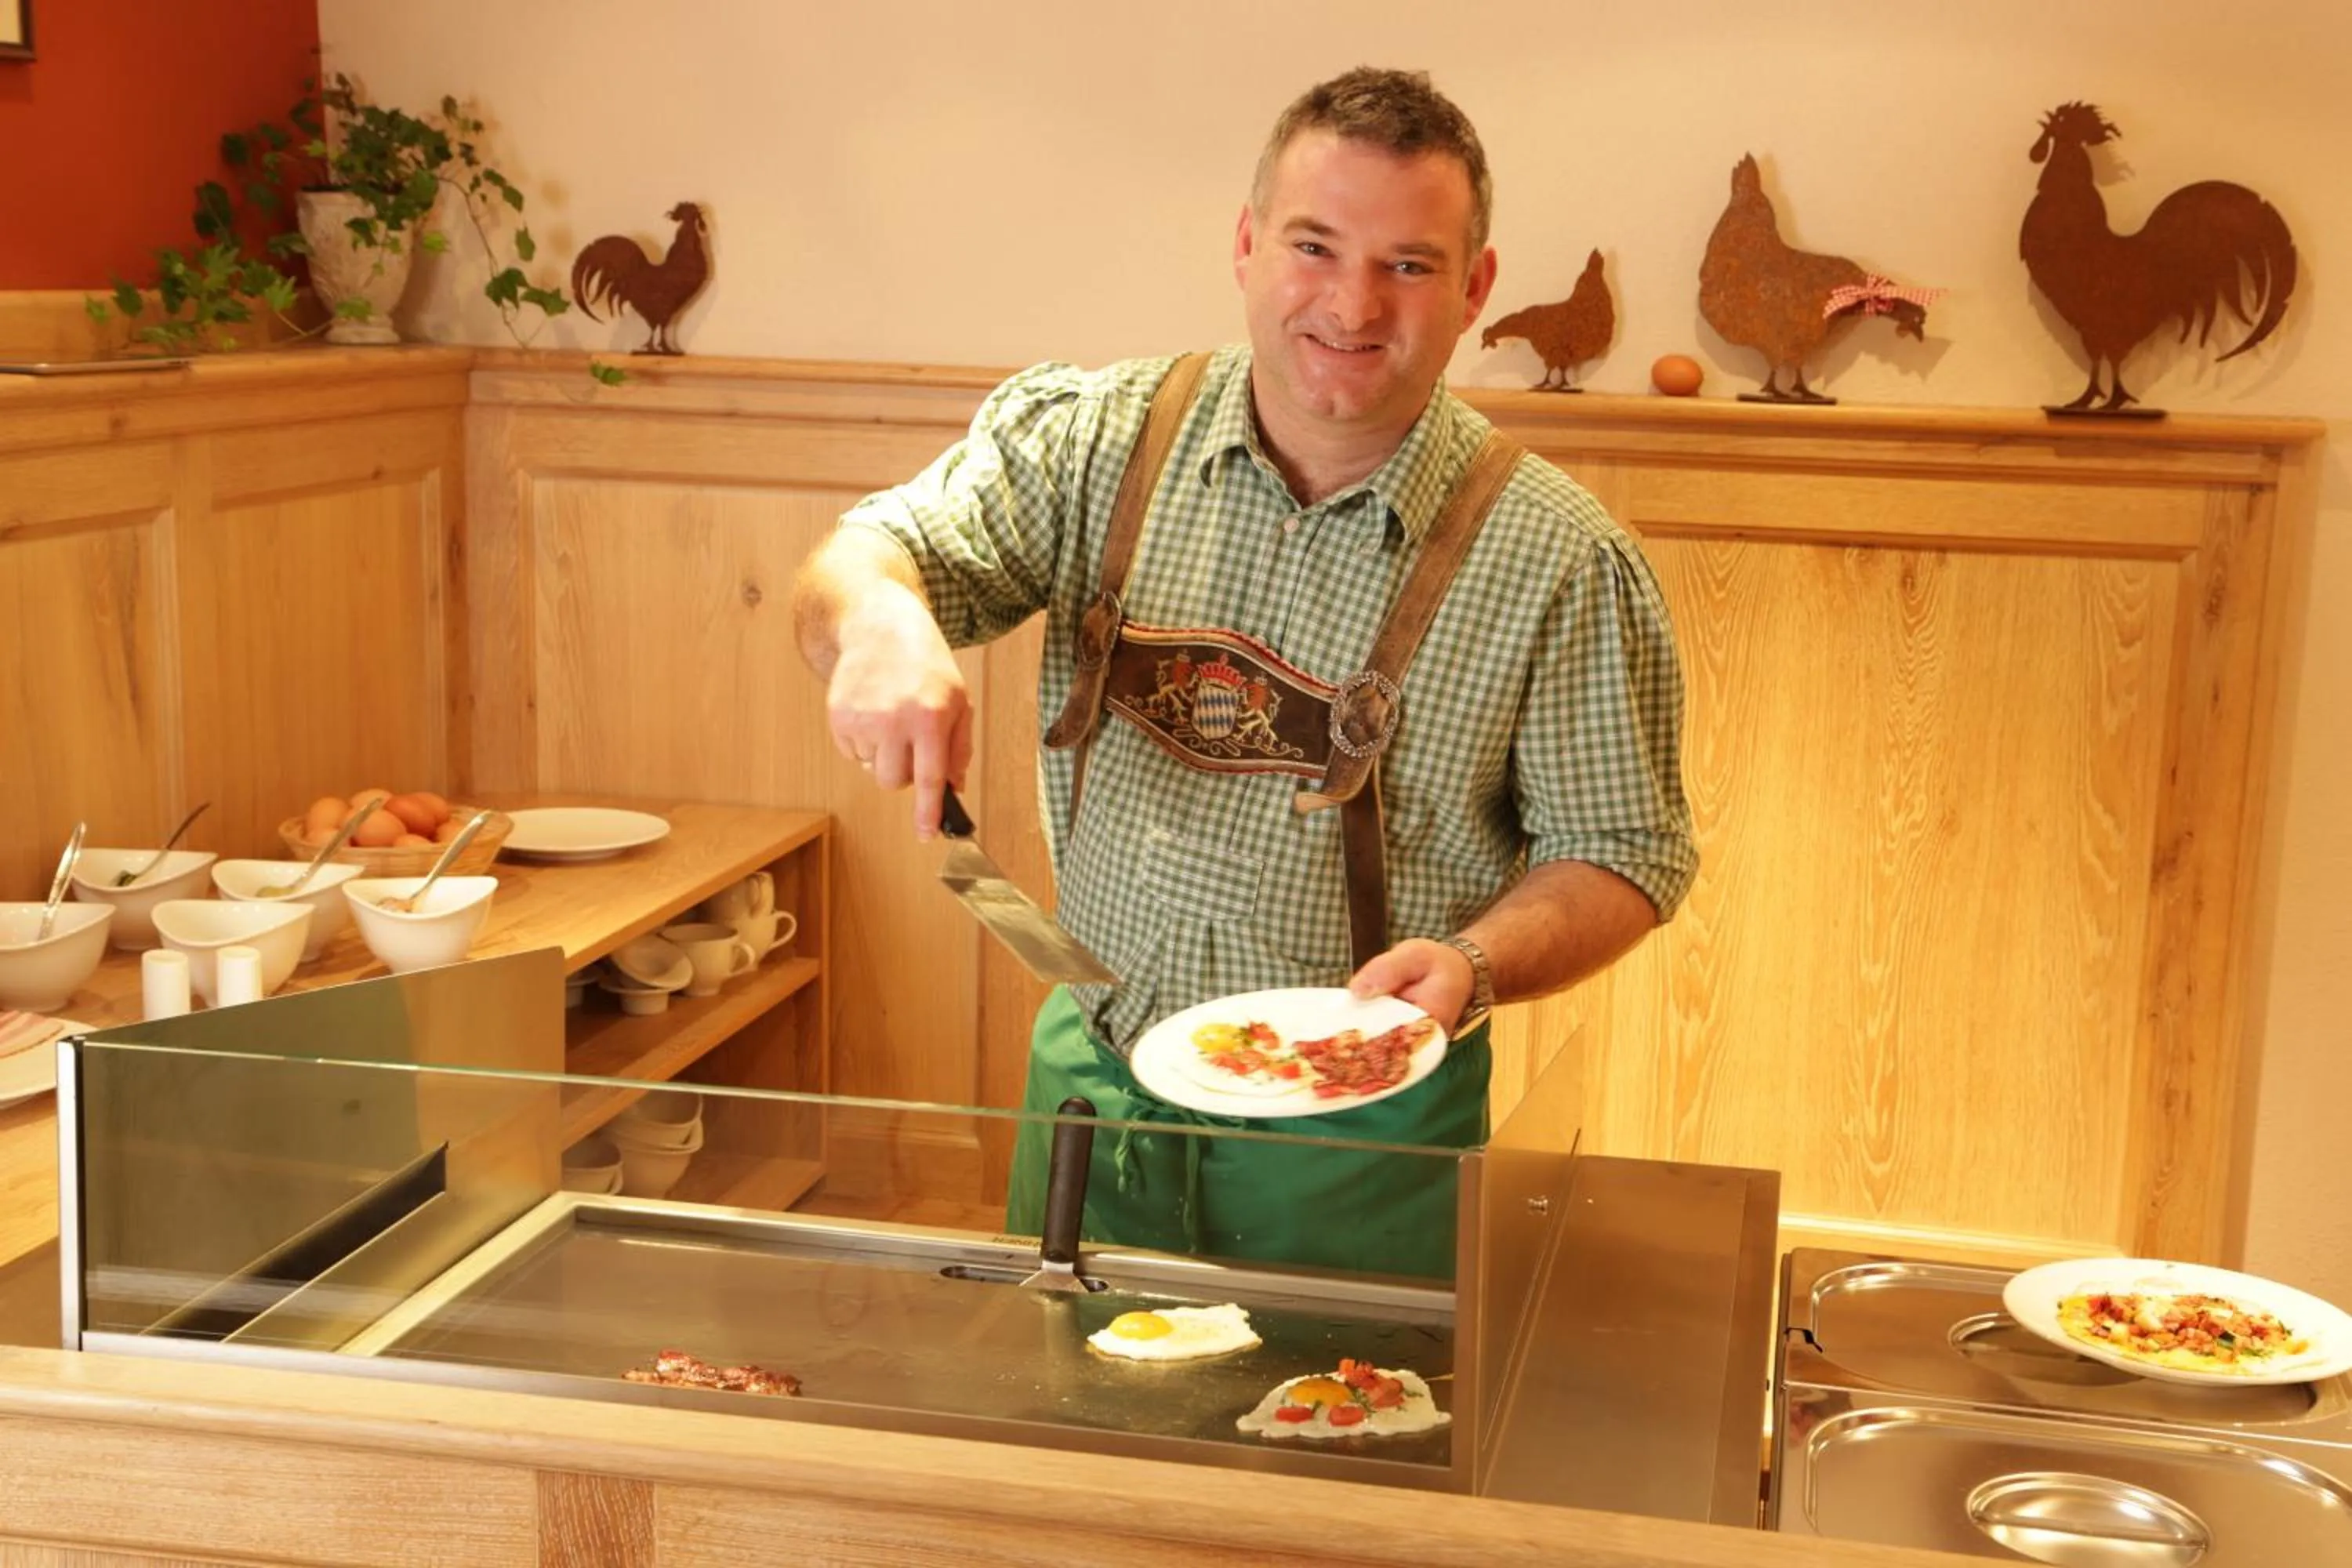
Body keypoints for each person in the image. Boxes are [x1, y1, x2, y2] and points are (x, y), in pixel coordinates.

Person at [790, 67, 1696, 1278]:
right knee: (1054, 1395)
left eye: (1409, 264)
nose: (1353, 304)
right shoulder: (1096, 440)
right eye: (1314, 246)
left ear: (1476, 289)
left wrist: (1475, 965)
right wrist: (876, 626)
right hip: (1095, 1092)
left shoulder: (1562, 561)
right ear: (1246, 244)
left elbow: (1623, 850)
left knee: (1350, 1406)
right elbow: (863, 559)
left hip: (1368, 1134)